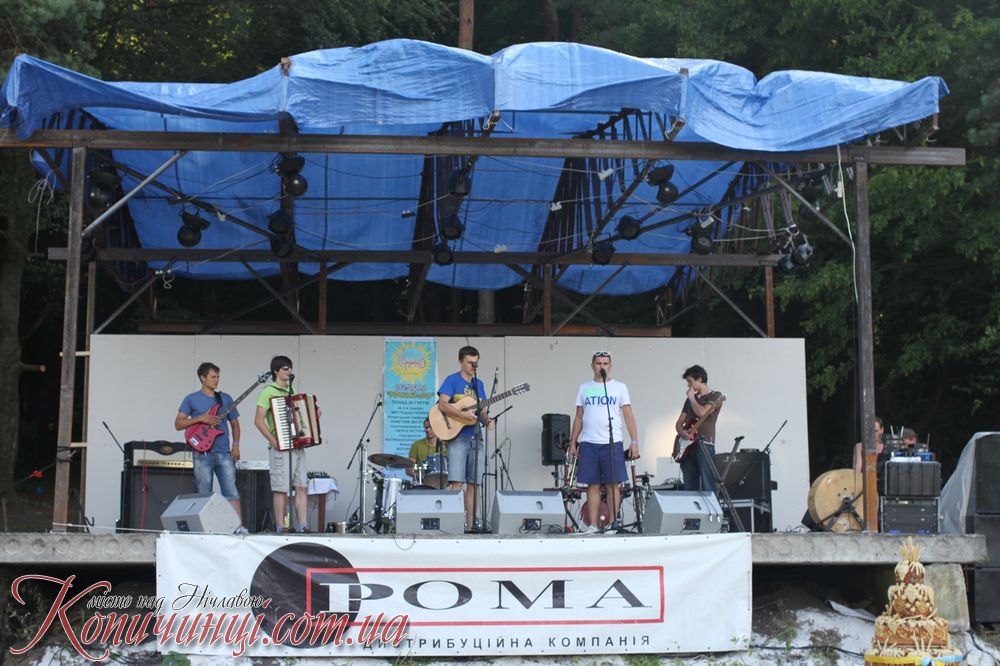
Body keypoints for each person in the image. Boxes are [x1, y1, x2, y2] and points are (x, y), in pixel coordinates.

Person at [568, 351, 640, 534]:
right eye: (599, 363)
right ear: (592, 365)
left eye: (605, 363)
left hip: (612, 442)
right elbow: (579, 417)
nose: (602, 366)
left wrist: (634, 441)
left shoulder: (619, 387)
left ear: (611, 366)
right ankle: (592, 525)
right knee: (592, 484)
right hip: (589, 442)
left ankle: (612, 523)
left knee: (612, 484)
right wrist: (573, 442)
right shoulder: (585, 388)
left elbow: (628, 416)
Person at [174, 362, 249, 535]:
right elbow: (178, 423)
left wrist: (236, 446)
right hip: (202, 454)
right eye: (213, 377)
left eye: (218, 377)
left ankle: (237, 527)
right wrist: (201, 419)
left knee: (231, 492)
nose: (216, 380)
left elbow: (235, 425)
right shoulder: (191, 399)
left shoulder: (225, 398)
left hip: (224, 453)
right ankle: (205, 529)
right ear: (203, 378)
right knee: (203, 494)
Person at [437, 345, 492, 531]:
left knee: (474, 483)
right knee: (457, 482)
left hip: (476, 437)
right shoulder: (452, 380)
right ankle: (454, 526)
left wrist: (488, 420)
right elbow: (443, 405)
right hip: (458, 436)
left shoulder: (479, 384)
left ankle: (470, 527)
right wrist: (462, 415)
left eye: (476, 363)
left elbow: (481, 412)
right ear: (461, 361)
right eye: (469, 362)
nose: (473, 366)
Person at [254, 355, 309, 533]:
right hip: (280, 446)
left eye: (291, 367)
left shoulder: (292, 391)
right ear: (276, 371)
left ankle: (303, 526)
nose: (289, 370)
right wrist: (274, 441)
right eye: (286, 368)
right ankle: (281, 527)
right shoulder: (268, 392)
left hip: (297, 445)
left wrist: (313, 415)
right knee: (281, 488)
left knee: (301, 486)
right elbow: (258, 421)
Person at [673, 365, 724, 494]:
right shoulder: (689, 400)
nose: (688, 385)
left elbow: (702, 413)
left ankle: (712, 508)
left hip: (704, 444)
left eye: (690, 381)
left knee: (708, 484)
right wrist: (682, 433)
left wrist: (691, 398)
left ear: (700, 379)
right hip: (687, 447)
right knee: (690, 486)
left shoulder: (715, 396)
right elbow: (679, 422)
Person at [407, 418, 447, 487]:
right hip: (422, 484)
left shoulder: (445, 445)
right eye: (426, 428)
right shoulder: (416, 445)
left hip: (443, 484)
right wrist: (422, 476)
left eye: (430, 428)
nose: (428, 430)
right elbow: (409, 469)